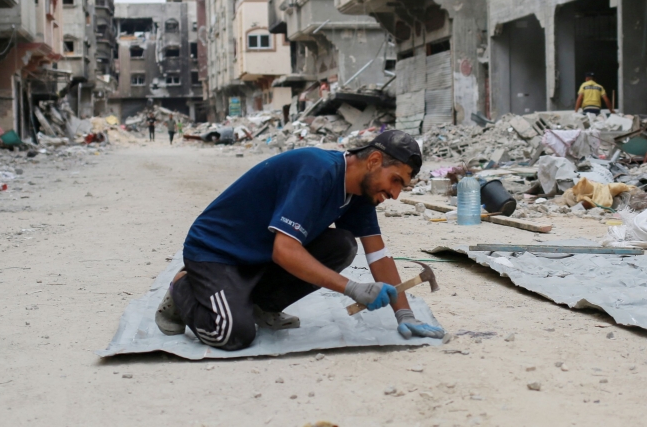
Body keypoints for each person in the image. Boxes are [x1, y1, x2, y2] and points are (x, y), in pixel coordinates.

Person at [154, 130, 445, 351]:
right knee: (231, 333)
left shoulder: (361, 193)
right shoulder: (318, 172)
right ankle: (184, 286)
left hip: (259, 255)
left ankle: (261, 305)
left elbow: (378, 254)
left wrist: (404, 314)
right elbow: (284, 251)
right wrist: (352, 288)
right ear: (373, 160)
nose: (396, 194)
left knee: (342, 245)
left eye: (402, 187)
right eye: (396, 181)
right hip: (218, 253)